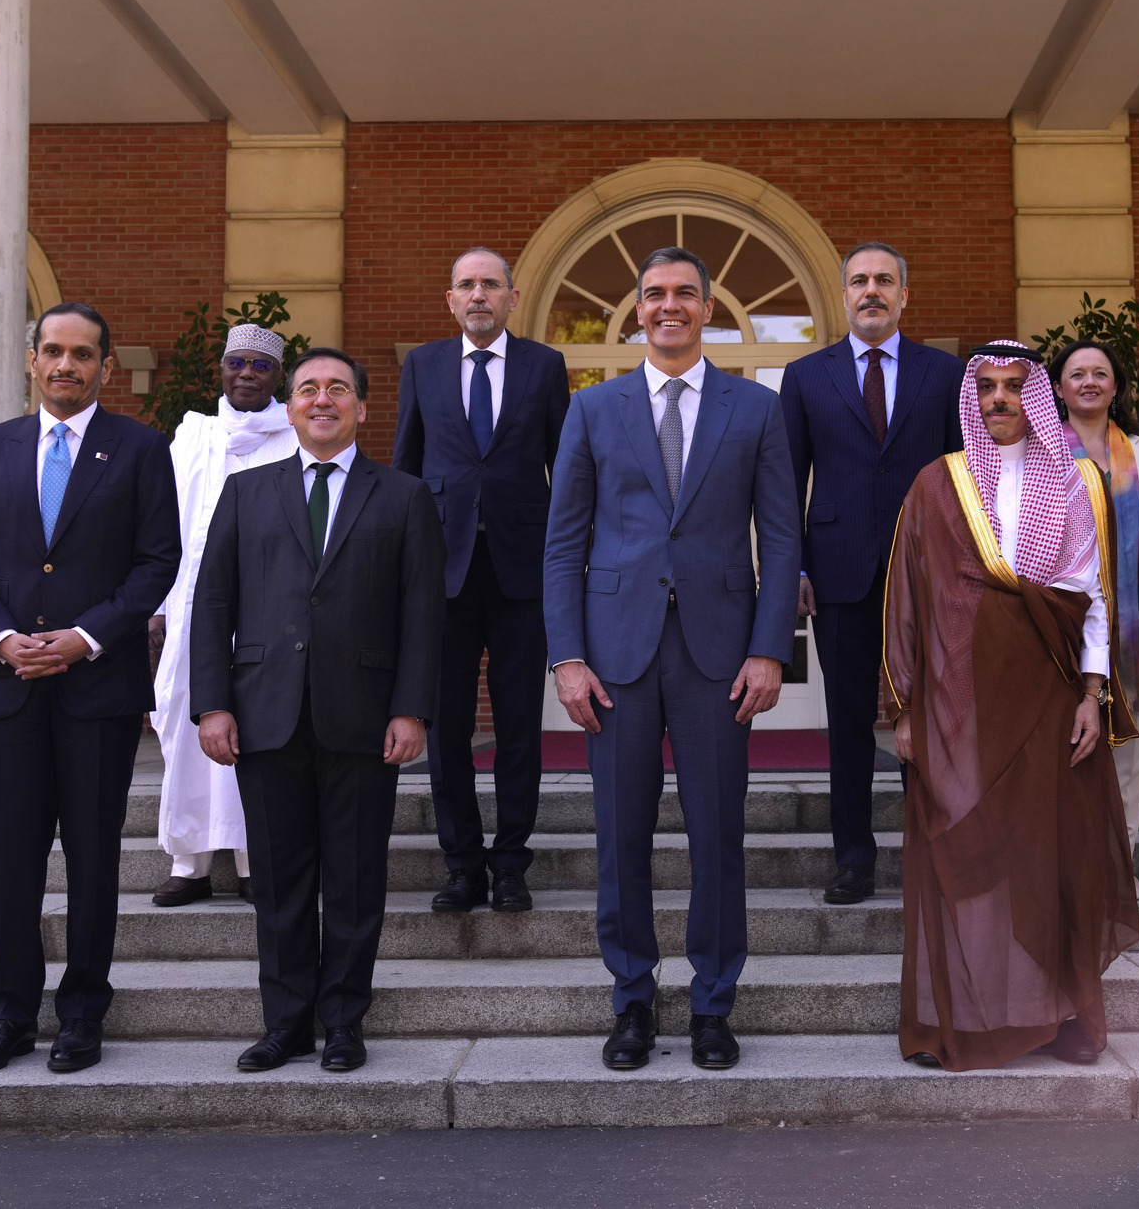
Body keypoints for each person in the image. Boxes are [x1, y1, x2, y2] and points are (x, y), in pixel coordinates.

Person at [544, 246, 800, 1073]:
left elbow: (782, 540)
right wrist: (566, 657)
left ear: (708, 308)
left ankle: (712, 1006)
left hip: (719, 656)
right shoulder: (593, 409)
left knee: (717, 835)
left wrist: (770, 650)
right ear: (638, 308)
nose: (669, 306)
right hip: (614, 656)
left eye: (685, 293)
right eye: (654, 293)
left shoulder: (756, 408)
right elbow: (563, 544)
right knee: (621, 837)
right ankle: (632, 1001)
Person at [883, 342, 1139, 1072]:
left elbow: (1093, 599)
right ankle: (963, 1020)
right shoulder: (938, 482)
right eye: (987, 387)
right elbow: (909, 601)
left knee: (1051, 857)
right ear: (972, 398)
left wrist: (1092, 694)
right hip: (958, 703)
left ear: (1036, 398)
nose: (999, 399)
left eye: (1014, 386)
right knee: (965, 855)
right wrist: (904, 709)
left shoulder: (1077, 480)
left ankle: (1063, 1015)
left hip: (1050, 695)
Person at [190, 348, 444, 1074]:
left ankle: (344, 1023)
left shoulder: (403, 496)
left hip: (364, 717)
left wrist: (412, 709)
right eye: (308, 389)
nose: (322, 399)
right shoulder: (246, 492)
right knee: (278, 881)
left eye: (338, 389)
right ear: (290, 406)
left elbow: (423, 613)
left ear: (363, 407)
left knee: (356, 881)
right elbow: (212, 602)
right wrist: (211, 704)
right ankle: (286, 1025)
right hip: (265, 714)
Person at [0, 302, 182, 1075]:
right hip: (7, 689)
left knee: (92, 861)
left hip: (97, 691)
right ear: (33, 359)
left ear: (105, 366)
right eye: (53, 351)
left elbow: (157, 561)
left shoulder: (140, 449)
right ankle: (9, 1015)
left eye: (82, 354)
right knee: (10, 863)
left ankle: (82, 1014)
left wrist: (85, 637)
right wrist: (0, 638)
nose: (65, 365)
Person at [779, 242, 963, 904]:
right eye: (859, 281)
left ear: (904, 295)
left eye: (885, 280)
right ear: (844, 294)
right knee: (850, 720)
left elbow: (964, 477)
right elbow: (785, 482)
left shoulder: (946, 373)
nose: (871, 291)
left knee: (933, 719)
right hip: (838, 570)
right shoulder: (806, 376)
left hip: (930, 572)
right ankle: (853, 859)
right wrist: (795, 565)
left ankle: (933, 856)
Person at [395, 248, 570, 914]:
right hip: (442, 574)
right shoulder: (423, 365)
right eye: (466, 285)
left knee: (519, 725)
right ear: (450, 299)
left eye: (489, 285)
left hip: (523, 571)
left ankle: (511, 864)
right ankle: (462, 864)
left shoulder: (544, 366)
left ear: (511, 297)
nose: (478, 295)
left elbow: (565, 468)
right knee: (446, 730)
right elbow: (406, 470)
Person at [147, 324, 300, 907]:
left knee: (254, 730)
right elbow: (162, 524)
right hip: (190, 606)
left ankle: (252, 860)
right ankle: (188, 865)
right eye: (237, 363)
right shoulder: (193, 435)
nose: (246, 374)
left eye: (260, 366)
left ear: (277, 376)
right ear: (222, 369)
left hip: (265, 611)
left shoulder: (294, 437)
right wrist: (157, 609)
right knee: (184, 727)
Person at [1050, 339, 1139, 898]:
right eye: (1077, 373)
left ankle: (1116, 869)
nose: (1089, 382)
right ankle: (1064, 869)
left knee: (1126, 756)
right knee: (1061, 748)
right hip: (1062, 627)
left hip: (1136, 630)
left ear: (1116, 386)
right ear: (1058, 387)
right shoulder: (1041, 450)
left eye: (1100, 373)